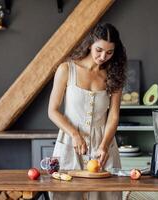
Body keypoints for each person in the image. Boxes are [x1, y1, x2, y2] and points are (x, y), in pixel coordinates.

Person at [48, 23, 127, 200]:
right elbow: (52, 111)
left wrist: (104, 145)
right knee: (66, 195)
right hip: (70, 142)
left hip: (103, 145)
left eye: (109, 52)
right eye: (99, 50)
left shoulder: (114, 76)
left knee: (107, 196)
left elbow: (113, 115)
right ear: (90, 43)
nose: (103, 57)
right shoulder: (66, 69)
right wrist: (74, 134)